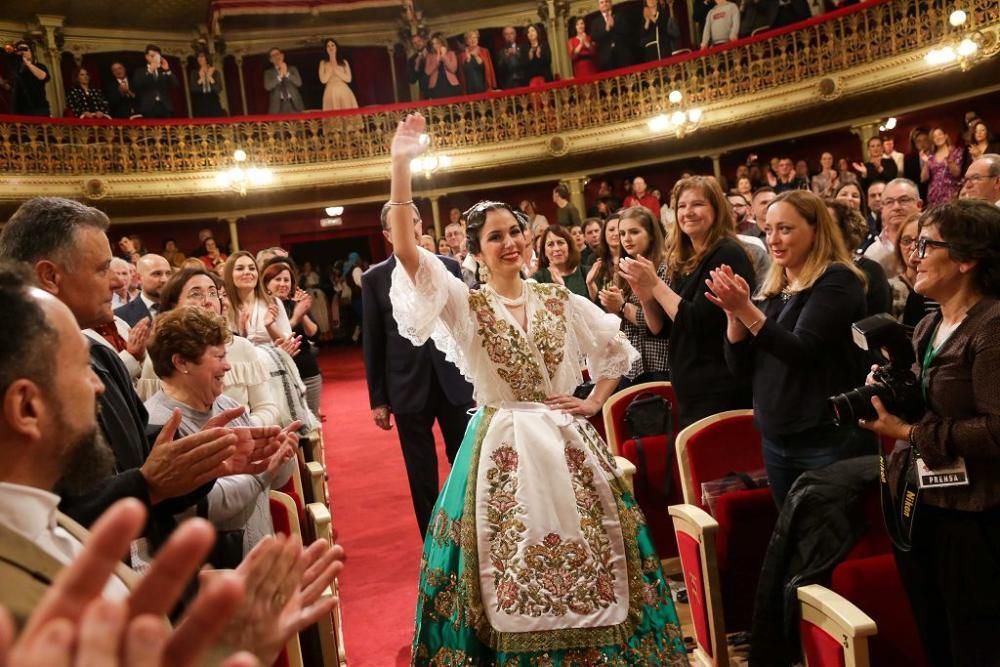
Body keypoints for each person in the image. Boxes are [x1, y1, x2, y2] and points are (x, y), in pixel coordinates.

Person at [388, 112, 687, 666]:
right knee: (504, 563)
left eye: (515, 232)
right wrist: (402, 165)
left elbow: (617, 351)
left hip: (566, 441)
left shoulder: (558, 299)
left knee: (598, 557)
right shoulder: (465, 304)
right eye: (495, 236)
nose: (509, 243)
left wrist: (595, 401)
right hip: (499, 442)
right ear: (475, 250)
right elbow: (407, 251)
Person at [0, 265, 344, 658]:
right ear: (26, 406)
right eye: (81, 369)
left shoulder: (58, 522)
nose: (99, 387)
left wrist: (220, 645)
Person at [0, 198, 280, 556]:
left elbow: (143, 446)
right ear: (51, 276)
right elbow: (44, 514)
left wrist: (198, 457)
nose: (118, 284)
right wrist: (146, 485)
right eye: (102, 270)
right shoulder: (14, 368)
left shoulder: (103, 356)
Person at [858, 200, 1000, 667]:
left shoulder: (993, 327)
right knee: (935, 633)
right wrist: (892, 389)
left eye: (926, 244)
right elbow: (932, 402)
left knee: (976, 640)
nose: (914, 255)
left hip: (978, 515)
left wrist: (909, 431)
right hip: (923, 503)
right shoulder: (929, 323)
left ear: (966, 258)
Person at [707, 190, 873, 507]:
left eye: (785, 228)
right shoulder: (773, 288)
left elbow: (801, 351)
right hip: (776, 435)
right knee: (794, 536)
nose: (773, 239)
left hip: (826, 434)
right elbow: (741, 370)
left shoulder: (837, 280)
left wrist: (746, 309)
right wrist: (734, 317)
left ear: (815, 229)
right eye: (768, 229)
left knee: (830, 537)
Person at [144, 306, 297, 560]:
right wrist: (263, 470)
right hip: (215, 575)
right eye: (218, 356)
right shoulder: (160, 424)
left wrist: (281, 452)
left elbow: (275, 481)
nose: (228, 366)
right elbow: (200, 507)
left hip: (260, 555)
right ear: (181, 362)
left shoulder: (226, 405)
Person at [361, 201, 474, 537]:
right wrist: (378, 399)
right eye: (397, 225)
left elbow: (465, 325)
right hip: (406, 386)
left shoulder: (449, 267)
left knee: (465, 459)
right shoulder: (374, 278)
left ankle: (471, 528)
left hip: (454, 379)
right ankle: (432, 538)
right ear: (386, 234)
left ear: (420, 225)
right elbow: (374, 341)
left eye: (411, 222)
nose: (407, 230)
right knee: (420, 470)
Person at [621, 177, 754, 427]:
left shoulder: (726, 253)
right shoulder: (685, 260)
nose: (688, 212)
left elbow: (696, 323)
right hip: (692, 390)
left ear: (716, 209)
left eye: (698, 204)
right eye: (682, 206)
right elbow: (662, 329)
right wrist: (645, 294)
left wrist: (656, 284)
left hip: (722, 389)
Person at [138, 267, 281, 428]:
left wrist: (242, 429)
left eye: (213, 293)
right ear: (174, 305)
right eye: (196, 294)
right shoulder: (159, 355)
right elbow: (149, 419)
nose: (208, 300)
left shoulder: (242, 347)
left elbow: (267, 407)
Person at [598, 206, 671, 385]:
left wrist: (623, 306)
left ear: (651, 234)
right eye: (622, 233)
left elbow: (658, 326)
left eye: (634, 232)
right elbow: (624, 329)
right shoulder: (623, 269)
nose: (626, 239)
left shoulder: (665, 267)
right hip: (631, 365)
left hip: (660, 363)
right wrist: (613, 309)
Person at [263, 260, 323, 416]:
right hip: (279, 374)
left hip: (307, 369)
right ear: (266, 283)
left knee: (312, 424)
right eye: (278, 279)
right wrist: (296, 317)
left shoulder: (292, 304)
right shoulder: (264, 307)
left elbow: (314, 334)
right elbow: (284, 336)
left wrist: (302, 313)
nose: (283, 284)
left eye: (286, 280)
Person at [827, 200, 892, 316]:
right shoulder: (804, 270)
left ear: (847, 229)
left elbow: (876, 325)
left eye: (828, 225)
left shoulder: (871, 271)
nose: (820, 231)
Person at [223, 252, 291, 345]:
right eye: (240, 268)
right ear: (229, 274)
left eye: (252, 268)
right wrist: (242, 334)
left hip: (273, 358)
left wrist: (270, 326)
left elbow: (290, 343)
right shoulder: (224, 307)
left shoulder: (272, 302)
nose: (247, 272)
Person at [887, 214, 939, 327]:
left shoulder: (941, 291)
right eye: (906, 241)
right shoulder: (888, 287)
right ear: (898, 245)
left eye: (921, 242)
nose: (913, 247)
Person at [863, 178, 922, 276]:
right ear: (882, 209)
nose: (896, 207)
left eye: (904, 200)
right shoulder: (872, 254)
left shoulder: (934, 244)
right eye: (889, 202)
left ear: (919, 205)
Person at [532, 224, 591, 298]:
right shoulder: (538, 279)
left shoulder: (586, 272)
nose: (556, 248)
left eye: (560, 243)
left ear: (569, 247)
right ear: (544, 251)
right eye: (550, 244)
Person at [114, 253, 171, 327]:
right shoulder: (120, 316)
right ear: (139, 278)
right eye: (157, 274)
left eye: (168, 273)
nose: (165, 279)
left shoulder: (180, 308)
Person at [2, 41, 50, 116]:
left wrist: (28, 63)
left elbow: (43, 77)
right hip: (20, 110)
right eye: (20, 49)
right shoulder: (16, 69)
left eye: (25, 49)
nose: (23, 52)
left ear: (31, 52)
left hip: (39, 109)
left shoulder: (39, 66)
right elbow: (10, 87)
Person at [132, 45, 177, 119]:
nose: (155, 58)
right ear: (146, 57)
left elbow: (175, 84)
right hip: (148, 106)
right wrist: (150, 71)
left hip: (165, 106)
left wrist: (167, 70)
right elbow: (137, 85)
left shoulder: (163, 70)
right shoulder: (140, 71)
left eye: (157, 56)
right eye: (152, 56)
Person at [925, 128, 965, 207]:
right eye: (934, 136)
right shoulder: (931, 157)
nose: (938, 137)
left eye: (940, 134)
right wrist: (926, 163)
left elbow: (957, 173)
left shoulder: (956, 151)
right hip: (934, 194)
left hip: (951, 192)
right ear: (933, 140)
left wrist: (950, 160)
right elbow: (924, 178)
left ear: (945, 136)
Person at [586, 214, 622, 299]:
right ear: (604, 234)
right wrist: (590, 283)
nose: (616, 233)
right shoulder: (594, 259)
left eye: (620, 230)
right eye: (611, 230)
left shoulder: (632, 257)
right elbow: (595, 298)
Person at [593, 0, 635, 71]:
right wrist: (606, 30)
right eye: (602, 2)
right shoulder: (595, 22)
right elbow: (595, 38)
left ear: (611, 3)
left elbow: (627, 31)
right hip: (606, 59)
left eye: (606, 1)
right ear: (599, 6)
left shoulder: (621, 15)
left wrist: (614, 25)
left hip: (623, 56)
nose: (604, 4)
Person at [319, 38, 358, 111]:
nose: (330, 47)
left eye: (332, 45)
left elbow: (348, 79)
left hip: (344, 90)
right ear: (325, 49)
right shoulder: (323, 63)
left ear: (336, 47)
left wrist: (336, 69)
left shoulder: (344, 62)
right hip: (330, 91)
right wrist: (331, 63)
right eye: (328, 46)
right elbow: (323, 80)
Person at [264, 47, 304, 114]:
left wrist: (287, 74)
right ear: (271, 60)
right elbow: (267, 87)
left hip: (294, 104)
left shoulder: (292, 69)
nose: (276, 57)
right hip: (278, 106)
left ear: (282, 56)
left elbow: (299, 83)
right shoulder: (268, 73)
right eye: (273, 55)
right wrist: (280, 76)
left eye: (277, 54)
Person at [424, 33, 461, 99]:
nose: (435, 45)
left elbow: (453, 69)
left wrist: (444, 56)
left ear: (442, 43)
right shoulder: (430, 56)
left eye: (437, 43)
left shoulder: (451, 54)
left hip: (451, 85)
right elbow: (427, 72)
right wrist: (437, 59)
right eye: (433, 43)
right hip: (435, 86)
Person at [459, 30, 497, 94]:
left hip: (484, 88)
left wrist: (492, 87)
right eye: (470, 38)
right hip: (469, 90)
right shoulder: (461, 56)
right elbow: (460, 75)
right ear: (466, 41)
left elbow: (490, 69)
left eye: (475, 37)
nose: (473, 40)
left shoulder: (484, 51)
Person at [190, 51, 224, 117]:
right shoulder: (194, 73)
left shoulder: (215, 72)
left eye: (202, 57)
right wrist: (201, 78)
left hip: (213, 101)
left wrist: (209, 77)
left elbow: (218, 89)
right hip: (200, 102)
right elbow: (193, 89)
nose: (199, 59)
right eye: (198, 57)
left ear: (207, 58)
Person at [903, 126, 932, 202]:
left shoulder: (935, 155)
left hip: (934, 191)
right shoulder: (909, 159)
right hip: (918, 194)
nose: (922, 143)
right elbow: (908, 180)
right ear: (915, 144)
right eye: (919, 141)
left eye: (925, 140)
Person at [407, 33, 430, 99]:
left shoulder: (433, 52)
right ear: (413, 46)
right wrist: (416, 65)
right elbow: (412, 80)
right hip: (424, 91)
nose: (417, 44)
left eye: (419, 41)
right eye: (414, 43)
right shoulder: (412, 60)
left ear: (423, 41)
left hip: (439, 88)